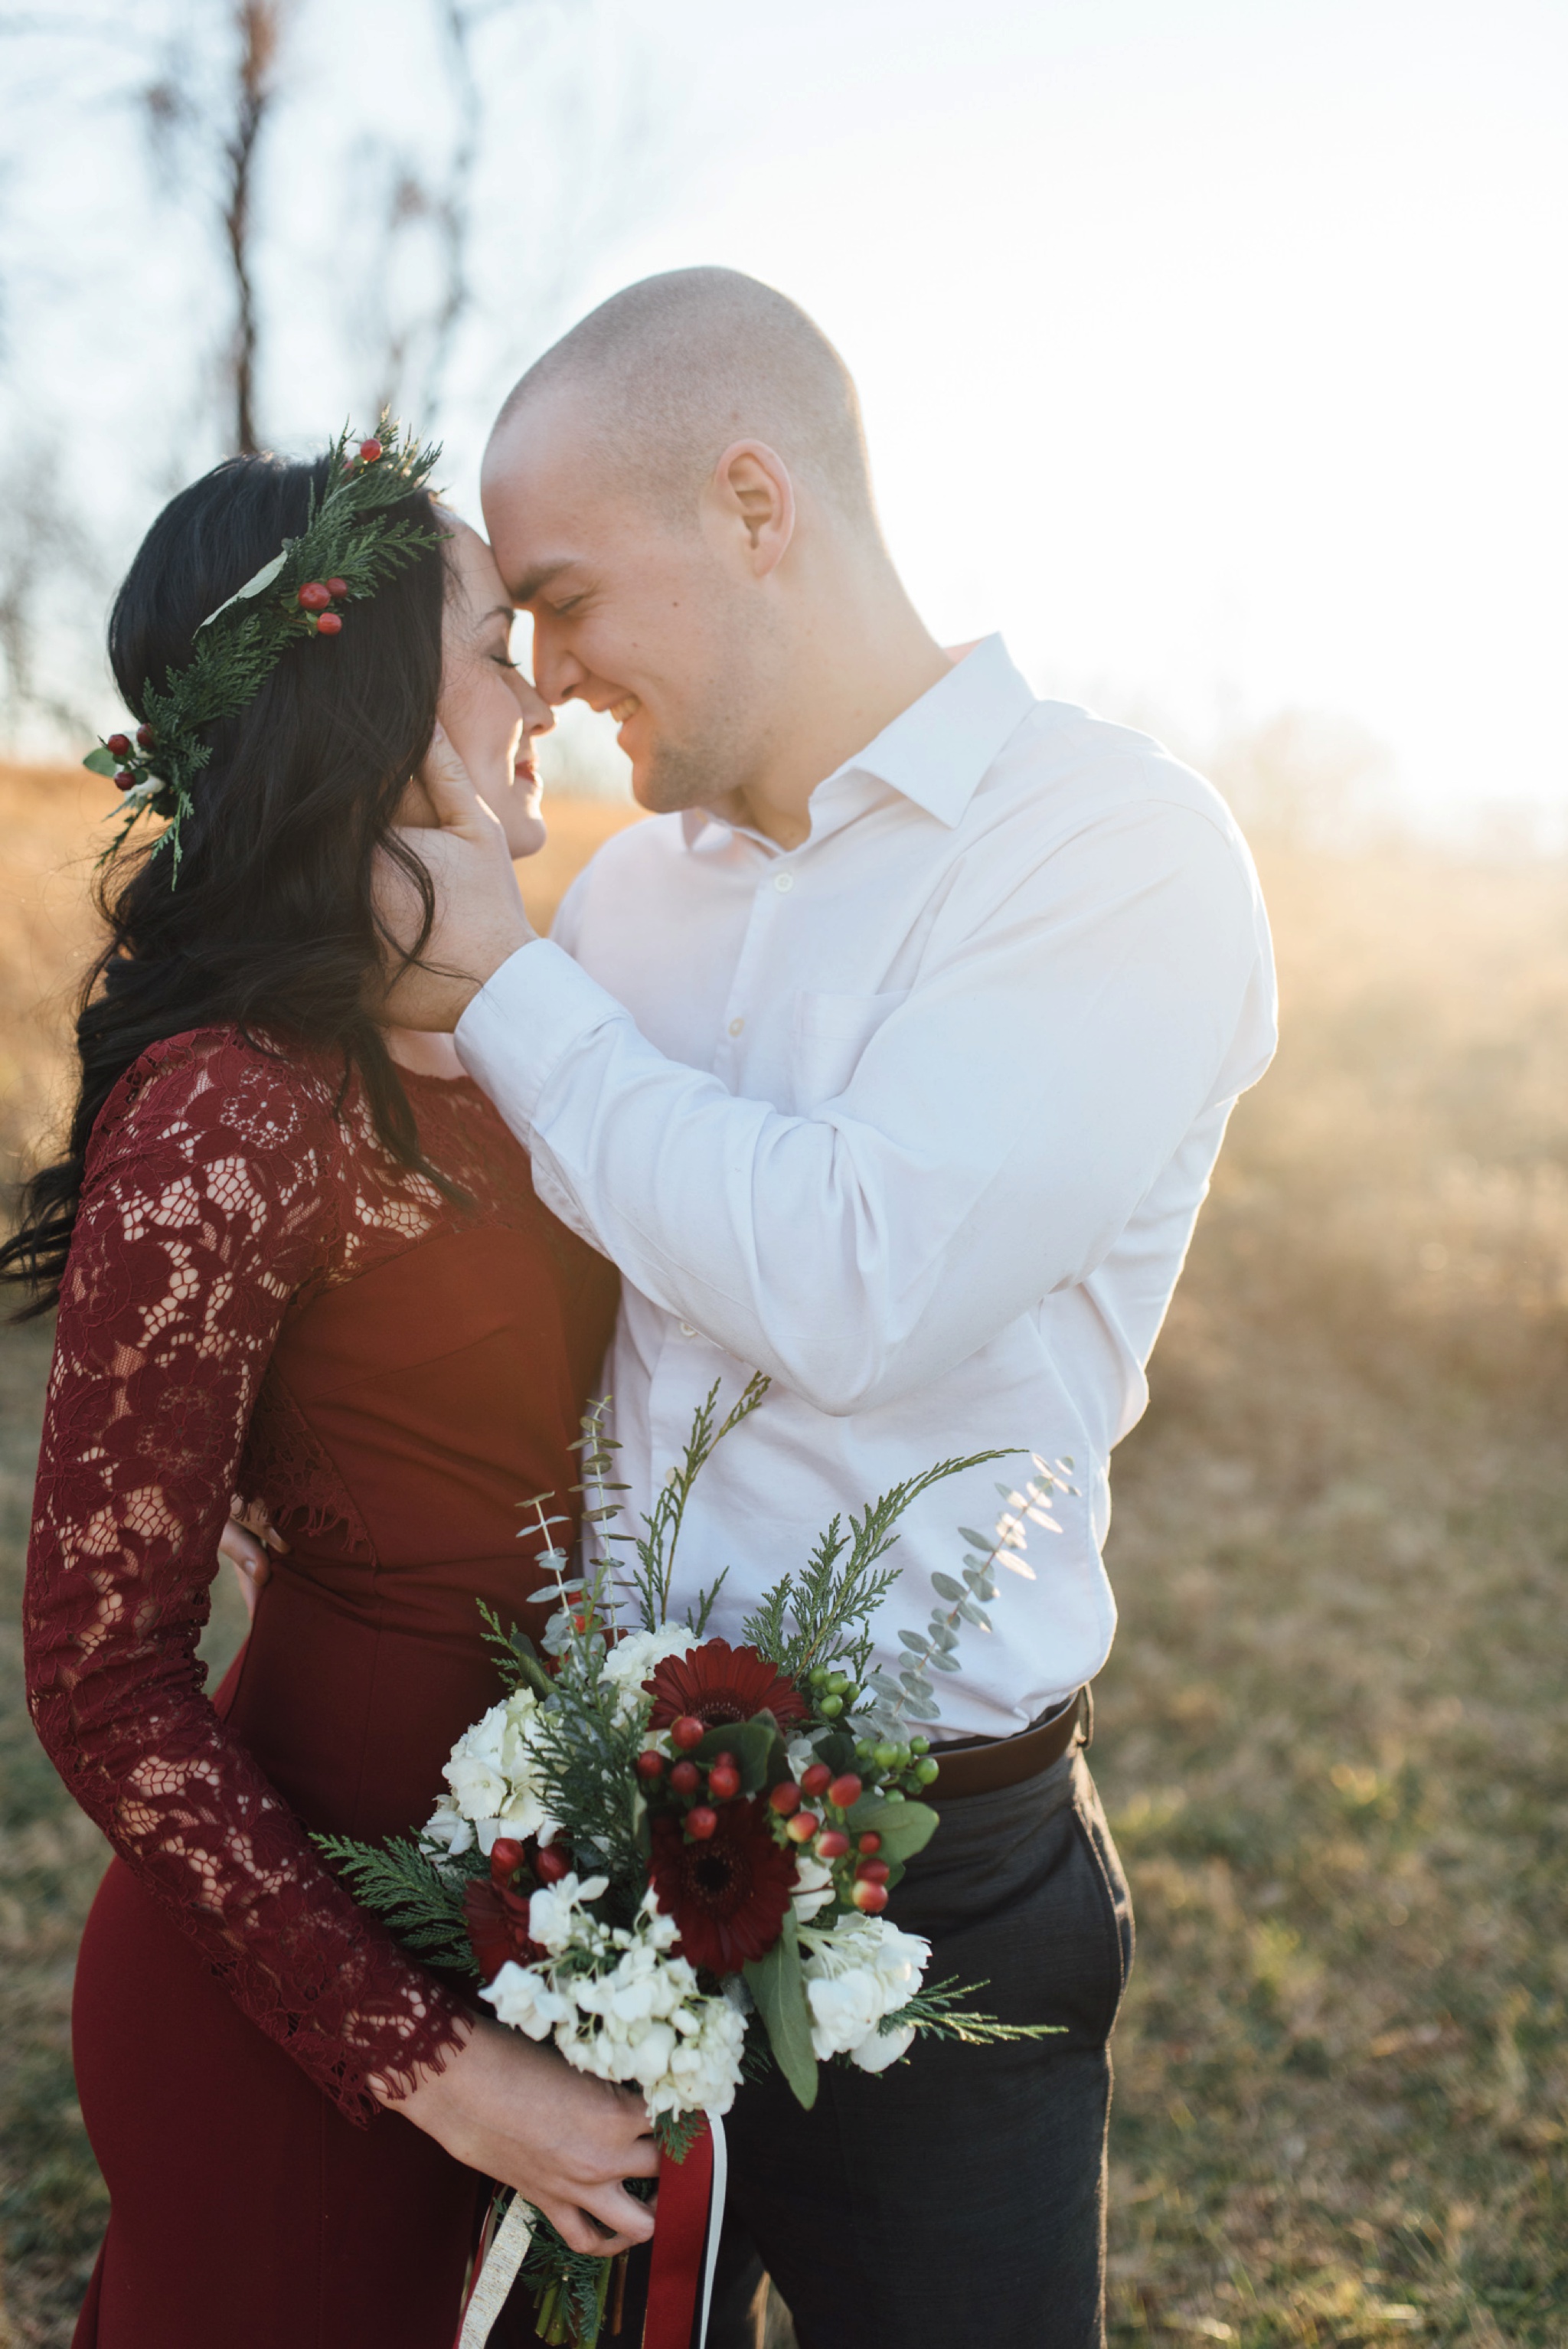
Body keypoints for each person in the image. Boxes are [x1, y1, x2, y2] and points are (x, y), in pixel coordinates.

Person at [381, 267, 1280, 2349]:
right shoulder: (628, 893)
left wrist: (510, 986)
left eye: (570, 596)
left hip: (938, 1884)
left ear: (757, 502)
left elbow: (854, 1273)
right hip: (593, 1841)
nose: (553, 668)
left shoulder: (1111, 849)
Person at [3, 444, 662, 2349]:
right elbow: (100, 1678)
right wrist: (447, 2065)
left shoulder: (529, 1025)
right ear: (363, 700)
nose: (539, 689)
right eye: (489, 643)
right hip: (303, 2011)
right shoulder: (228, 1103)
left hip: (532, 1918)